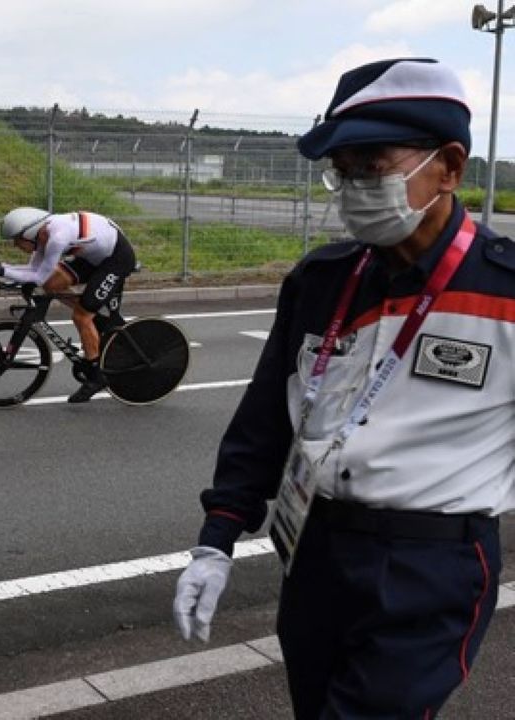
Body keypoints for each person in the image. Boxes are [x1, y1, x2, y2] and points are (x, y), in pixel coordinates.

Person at [172, 57, 515, 718]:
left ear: (448, 166)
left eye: (374, 164)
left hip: (430, 564)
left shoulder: (503, 291)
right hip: (314, 550)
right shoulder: (323, 279)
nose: (353, 185)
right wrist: (216, 538)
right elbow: (265, 419)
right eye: (342, 169)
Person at [0, 207, 136, 403]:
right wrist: (2, 269)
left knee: (81, 316)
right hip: (94, 258)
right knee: (53, 284)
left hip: (116, 259)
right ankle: (93, 316)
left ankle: (96, 377)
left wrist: (3, 270)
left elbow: (37, 276)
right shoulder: (43, 236)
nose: (14, 245)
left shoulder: (57, 238)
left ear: (29, 233)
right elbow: (34, 271)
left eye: (16, 239)